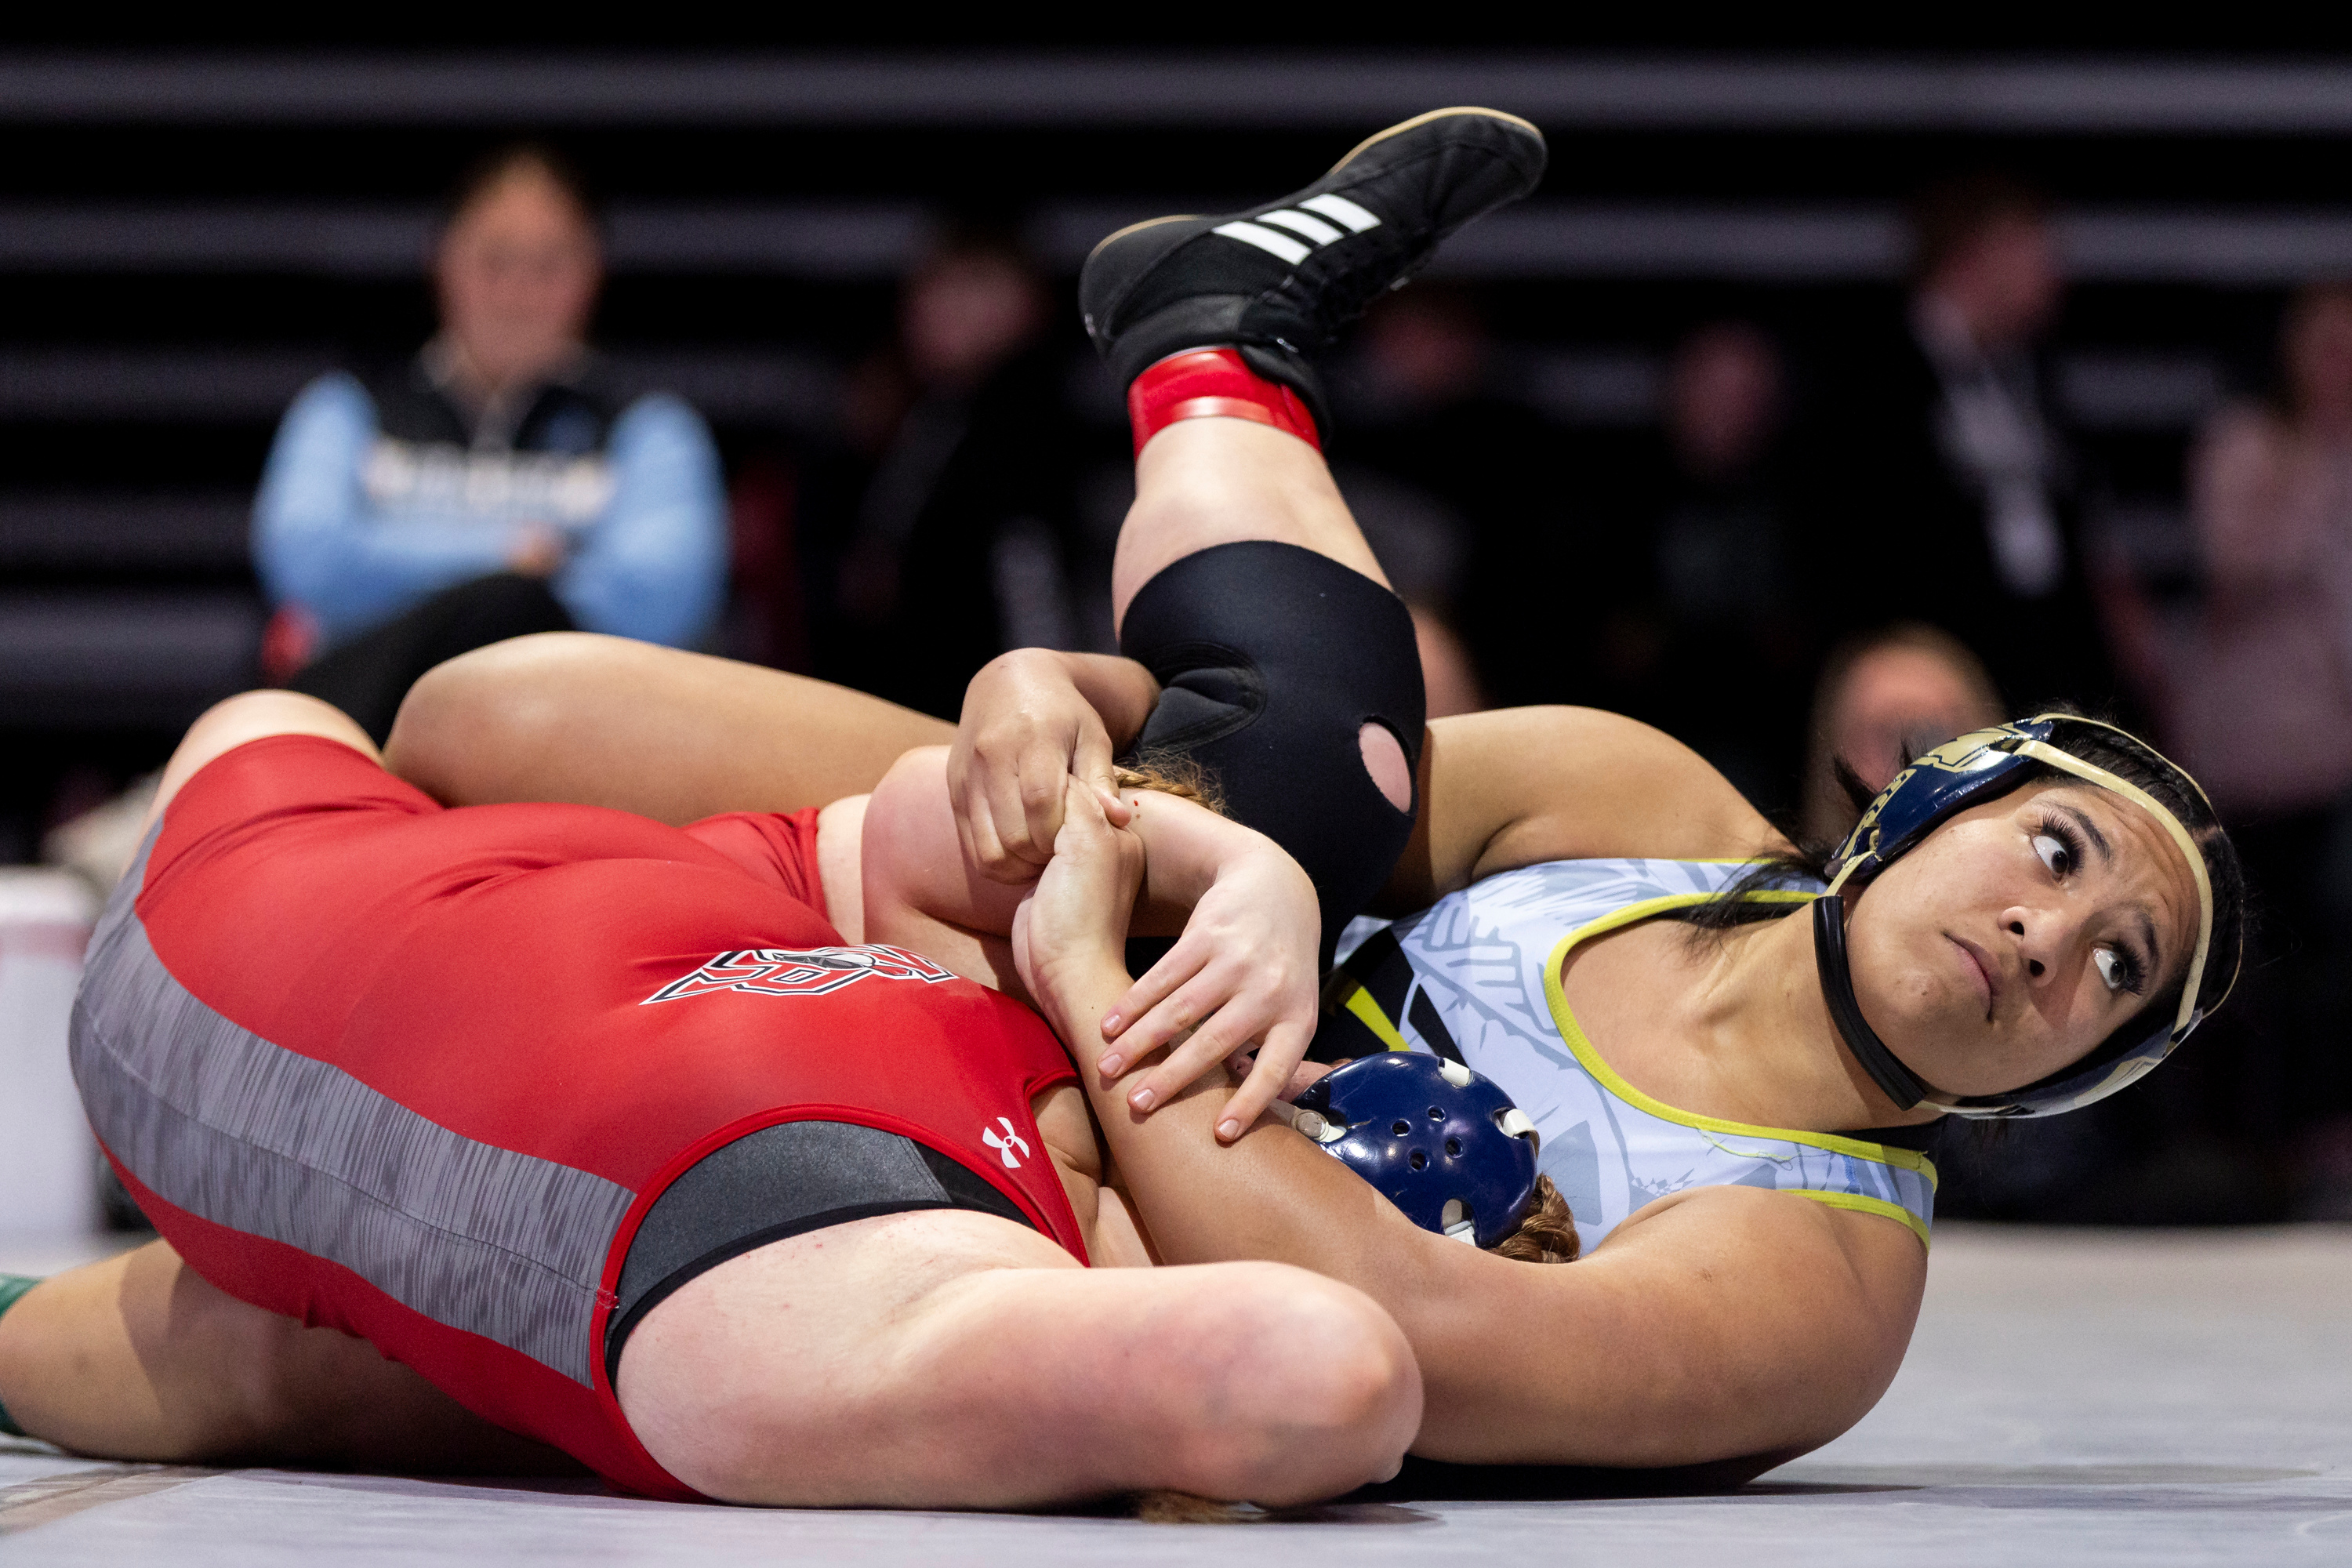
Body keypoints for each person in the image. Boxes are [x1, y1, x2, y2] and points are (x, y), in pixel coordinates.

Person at [0, 108, 2244, 1499]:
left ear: (2080, 1075)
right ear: (1937, 797)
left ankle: (1217, 350)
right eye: (2060, 852)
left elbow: (1404, 1349)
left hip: (1045, 1175)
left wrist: (1098, 970)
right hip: (1035, 943)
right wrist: (1039, 696)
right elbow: (1224, 741)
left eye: (2116, 971)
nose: (2055, 939)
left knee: (340, 1385)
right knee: (499, 702)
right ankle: (1215, 352)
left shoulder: (1818, 1270)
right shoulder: (1650, 812)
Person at [251, 145, 727, 742]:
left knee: (515, 618)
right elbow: (308, 559)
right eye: (495, 261)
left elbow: (660, 596)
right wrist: (507, 561)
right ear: (442, 260)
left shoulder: (650, 427)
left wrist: (482, 590)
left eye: (549, 265)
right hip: (366, 719)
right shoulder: (349, 407)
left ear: (592, 272)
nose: (518, 291)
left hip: (573, 729)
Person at [1799, 174, 2111, 713]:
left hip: (2038, 680)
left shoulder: (2030, 373)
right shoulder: (1875, 378)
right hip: (1929, 685)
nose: (2052, 275)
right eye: (2033, 251)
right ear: (1977, 254)